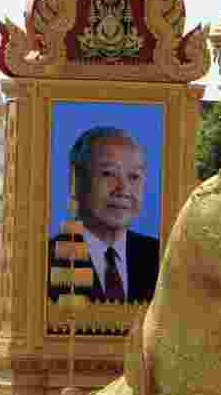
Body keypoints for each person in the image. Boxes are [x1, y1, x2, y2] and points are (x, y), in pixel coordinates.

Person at [48, 126, 159, 304]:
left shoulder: (160, 259)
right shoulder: (45, 262)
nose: (123, 190)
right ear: (76, 181)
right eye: (108, 174)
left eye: (134, 177)